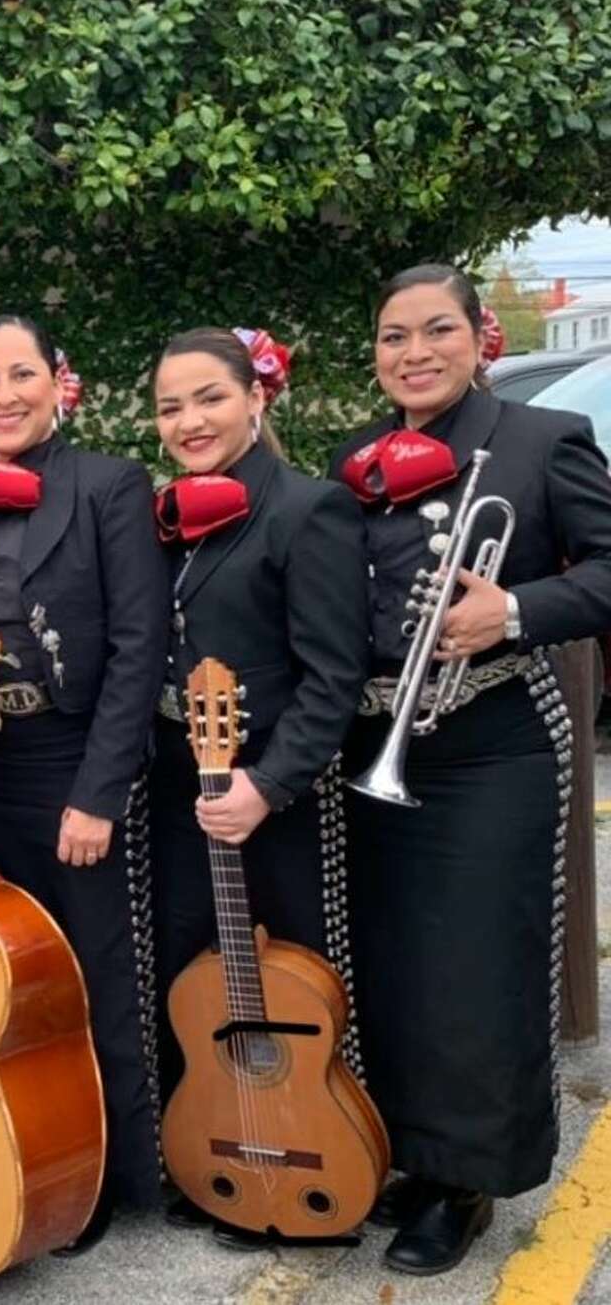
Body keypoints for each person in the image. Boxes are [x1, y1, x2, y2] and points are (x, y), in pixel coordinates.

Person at [331, 264, 611, 1275]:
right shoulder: (353, 459)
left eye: (435, 330)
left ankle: (468, 1183)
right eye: (393, 336)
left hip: (489, 740)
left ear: (480, 335)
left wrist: (516, 610)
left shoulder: (541, 441)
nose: (414, 352)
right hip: (370, 747)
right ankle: (410, 1150)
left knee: (475, 970)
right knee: (392, 961)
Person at [0, 314, 169, 1252]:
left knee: (92, 975)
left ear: (62, 381)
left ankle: (101, 1173)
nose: (3, 395)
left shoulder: (107, 483)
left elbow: (141, 645)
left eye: (22, 374)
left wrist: (100, 792)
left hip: (67, 762)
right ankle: (13, 1147)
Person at [148, 326, 370, 1244]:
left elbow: (334, 677)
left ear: (257, 397)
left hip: (275, 794)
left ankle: (320, 1148)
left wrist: (269, 784)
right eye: (170, 406)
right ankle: (223, 1156)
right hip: (177, 784)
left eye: (210, 397)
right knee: (192, 979)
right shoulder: (171, 513)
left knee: (302, 991)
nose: (190, 419)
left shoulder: (307, 509)